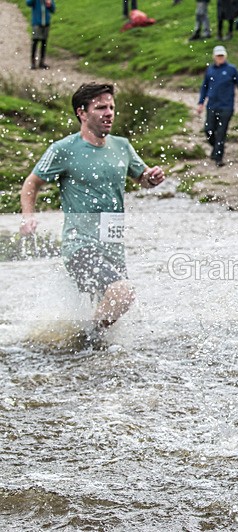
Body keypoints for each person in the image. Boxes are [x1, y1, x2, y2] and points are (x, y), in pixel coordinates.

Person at [19, 83, 165, 347]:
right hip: (80, 245)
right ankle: (85, 340)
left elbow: (142, 178)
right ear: (82, 113)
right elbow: (32, 183)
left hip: (112, 245)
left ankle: (85, 349)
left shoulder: (122, 146)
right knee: (122, 294)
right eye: (100, 107)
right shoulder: (63, 149)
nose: (108, 113)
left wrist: (151, 178)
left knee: (112, 305)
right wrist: (28, 217)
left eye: (111, 107)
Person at [197, 45, 238, 167]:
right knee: (208, 130)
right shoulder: (210, 70)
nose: (220, 58)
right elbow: (204, 87)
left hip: (226, 106)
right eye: (218, 56)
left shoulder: (232, 70)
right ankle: (216, 148)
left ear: (225, 56)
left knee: (221, 132)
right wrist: (201, 103)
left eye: (222, 56)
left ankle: (218, 158)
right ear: (214, 57)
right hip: (212, 105)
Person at [26, 0, 55, 70]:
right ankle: (33, 63)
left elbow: (53, 9)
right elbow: (28, 3)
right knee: (35, 42)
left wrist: (50, 4)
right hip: (37, 23)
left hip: (46, 24)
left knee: (44, 43)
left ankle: (41, 62)